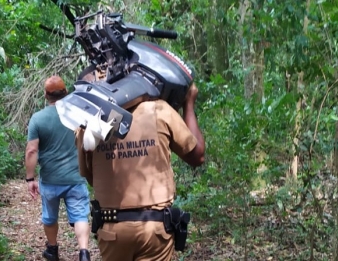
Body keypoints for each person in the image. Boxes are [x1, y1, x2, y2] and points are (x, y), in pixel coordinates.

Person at [75, 82, 205, 261]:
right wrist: (188, 103)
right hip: (154, 229)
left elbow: (90, 176)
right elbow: (197, 156)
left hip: (112, 229)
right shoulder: (159, 110)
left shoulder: (90, 119)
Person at [24, 75, 91, 261]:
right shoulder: (78, 115)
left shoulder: (38, 119)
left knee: (50, 217)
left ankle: (52, 250)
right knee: (80, 217)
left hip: (50, 179)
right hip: (76, 178)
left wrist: (30, 179)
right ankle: (84, 252)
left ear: (46, 95)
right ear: (66, 92)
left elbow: (31, 151)